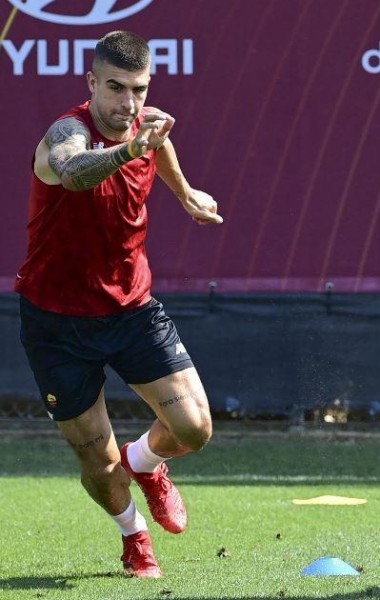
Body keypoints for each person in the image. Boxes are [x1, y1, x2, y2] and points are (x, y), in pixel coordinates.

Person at [16, 31, 223, 579]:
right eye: (115, 88)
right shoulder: (65, 133)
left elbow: (159, 146)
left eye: (138, 88)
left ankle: (147, 465)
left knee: (195, 429)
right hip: (57, 322)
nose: (127, 103)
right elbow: (74, 173)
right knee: (96, 463)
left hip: (132, 308)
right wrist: (132, 148)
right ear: (91, 83)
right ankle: (134, 536)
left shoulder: (146, 125)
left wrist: (186, 195)